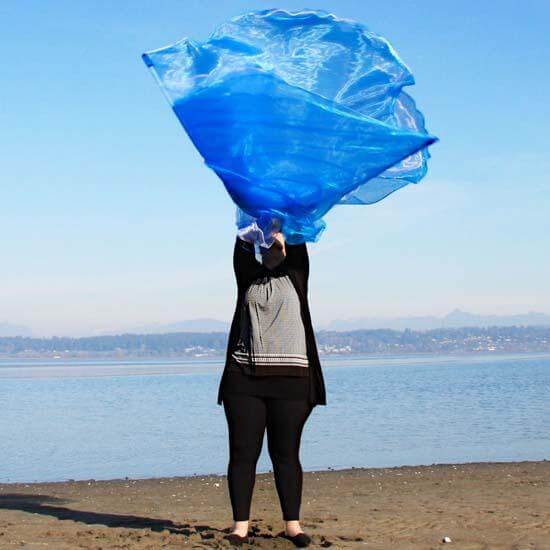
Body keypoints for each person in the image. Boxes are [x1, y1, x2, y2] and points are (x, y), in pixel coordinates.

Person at [217, 227, 327, 547]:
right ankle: (240, 526)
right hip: (244, 380)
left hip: (292, 381)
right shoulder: (247, 275)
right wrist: (255, 225)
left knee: (286, 454)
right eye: (268, 242)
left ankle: (293, 525)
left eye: (280, 242)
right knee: (242, 453)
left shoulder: (296, 273)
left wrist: (283, 230)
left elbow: (297, 232)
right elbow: (242, 241)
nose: (274, 245)